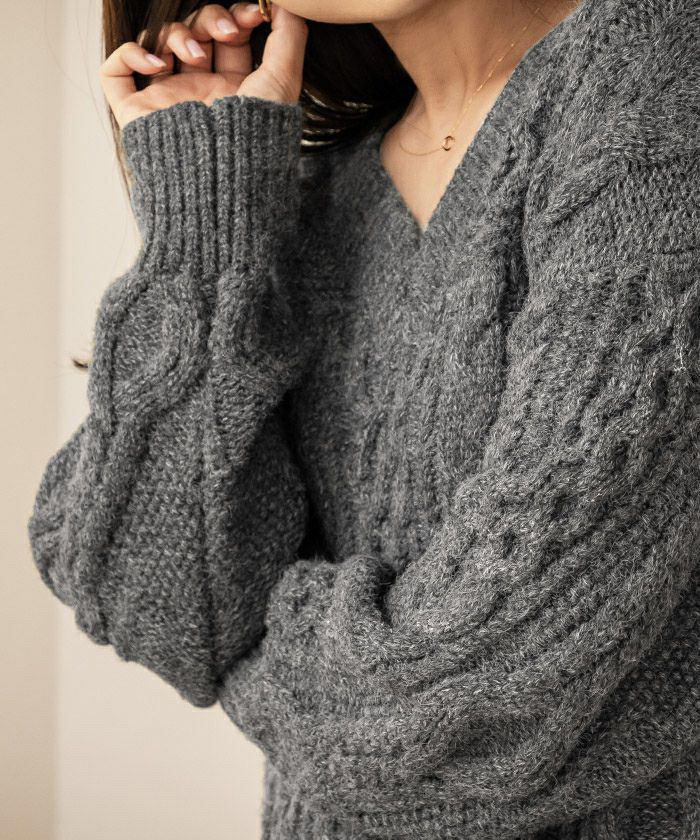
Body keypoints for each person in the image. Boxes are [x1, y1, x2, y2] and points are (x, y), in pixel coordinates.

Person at [27, 0, 700, 837]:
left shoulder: (658, 81)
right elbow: (153, 606)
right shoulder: (315, 200)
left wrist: (244, 645)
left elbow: (482, 699)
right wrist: (207, 222)